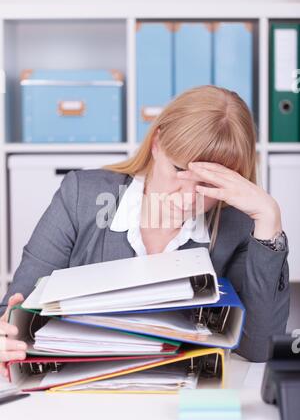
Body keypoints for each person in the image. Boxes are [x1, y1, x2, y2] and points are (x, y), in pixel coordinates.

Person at [0, 85, 290, 378]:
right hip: (80, 394)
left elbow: (260, 348)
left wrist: (269, 219)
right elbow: (13, 311)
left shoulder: (238, 226)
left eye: (209, 184)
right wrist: (7, 333)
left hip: (177, 398)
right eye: (178, 169)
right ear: (156, 143)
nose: (189, 197)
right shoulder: (81, 197)